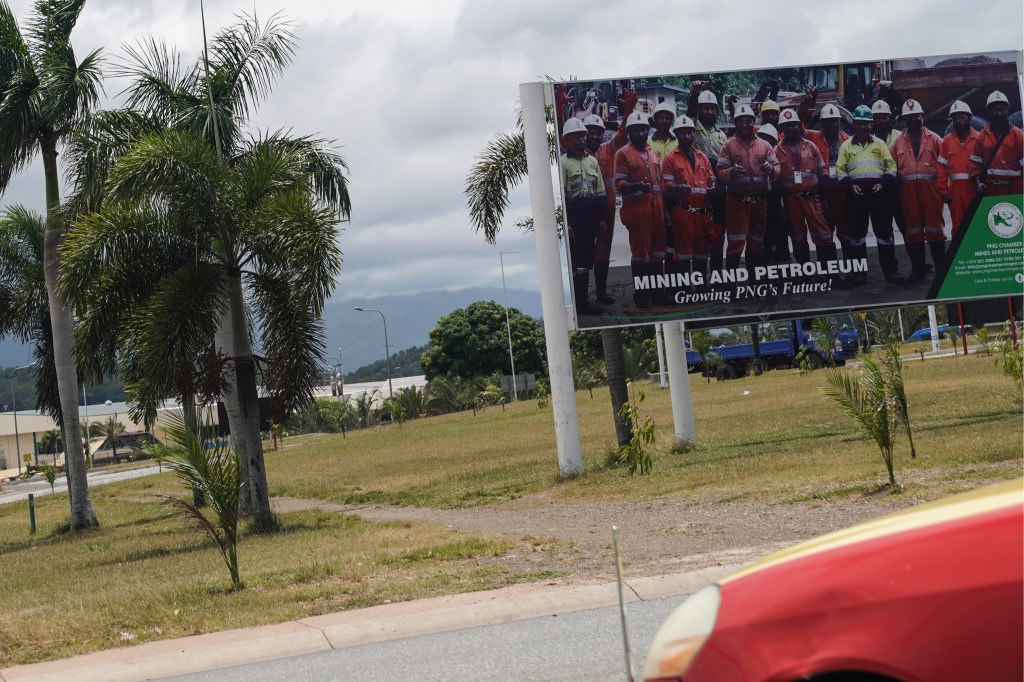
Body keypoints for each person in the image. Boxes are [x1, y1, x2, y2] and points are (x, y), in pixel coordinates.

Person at [835, 105, 902, 286]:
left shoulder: (880, 144)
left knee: (885, 235)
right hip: (855, 195)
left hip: (879, 194)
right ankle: (860, 274)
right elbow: (840, 170)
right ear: (854, 124)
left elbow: (891, 167)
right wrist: (850, 186)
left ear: (871, 125)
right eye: (859, 123)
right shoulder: (846, 146)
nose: (863, 127)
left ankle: (890, 271)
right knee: (856, 238)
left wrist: (883, 184)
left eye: (866, 124)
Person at [774, 108, 843, 271]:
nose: (791, 128)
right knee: (798, 237)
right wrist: (781, 205)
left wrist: (825, 199)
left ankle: (830, 273)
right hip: (791, 200)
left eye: (794, 124)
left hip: (813, 198)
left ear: (799, 126)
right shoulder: (776, 151)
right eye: (787, 125)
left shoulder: (811, 146)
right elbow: (776, 182)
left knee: (824, 234)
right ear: (781, 129)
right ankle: (806, 274)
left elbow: (822, 172)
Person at [715, 104, 780, 271]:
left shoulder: (765, 145)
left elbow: (777, 167)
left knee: (756, 242)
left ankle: (754, 280)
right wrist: (731, 171)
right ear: (736, 123)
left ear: (753, 121)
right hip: (737, 203)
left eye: (748, 121)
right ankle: (731, 282)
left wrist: (771, 169)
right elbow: (720, 171)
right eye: (741, 121)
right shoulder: (728, 145)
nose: (745, 124)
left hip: (759, 202)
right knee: (735, 243)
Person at [889, 99, 946, 282]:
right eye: (909, 117)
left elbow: (945, 166)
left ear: (922, 116)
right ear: (904, 119)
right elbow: (891, 168)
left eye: (916, 116)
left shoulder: (935, 139)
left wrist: (944, 189)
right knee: (913, 232)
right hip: (908, 194)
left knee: (935, 231)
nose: (913, 119)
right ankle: (918, 271)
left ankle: (941, 271)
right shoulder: (898, 143)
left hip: (931, 193)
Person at [615, 111, 666, 307]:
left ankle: (657, 293)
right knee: (640, 256)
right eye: (636, 130)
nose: (641, 133)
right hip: (637, 214)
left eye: (643, 129)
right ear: (629, 131)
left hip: (657, 211)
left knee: (657, 254)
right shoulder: (623, 154)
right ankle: (642, 295)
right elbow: (620, 184)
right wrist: (637, 186)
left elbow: (659, 184)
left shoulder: (653, 154)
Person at [583, 102, 631, 304]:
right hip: (587, 213)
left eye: (598, 133)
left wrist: (627, 112)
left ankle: (601, 294)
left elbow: (621, 134)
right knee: (585, 253)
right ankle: (583, 297)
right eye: (591, 132)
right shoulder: (578, 155)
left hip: (608, 211)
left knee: (603, 253)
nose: (594, 136)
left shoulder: (608, 150)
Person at [661, 115, 716, 286]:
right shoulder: (670, 159)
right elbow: (666, 187)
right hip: (683, 212)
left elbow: (711, 178)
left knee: (702, 254)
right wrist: (677, 188)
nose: (687, 136)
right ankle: (684, 290)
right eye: (683, 133)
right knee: (683, 255)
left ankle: (700, 287)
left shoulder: (702, 157)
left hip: (703, 214)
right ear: (676, 134)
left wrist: (713, 185)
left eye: (690, 132)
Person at [560, 117, 606, 314]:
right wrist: (567, 223)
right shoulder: (563, 163)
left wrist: (601, 219)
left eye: (583, 135)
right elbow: (561, 197)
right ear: (567, 139)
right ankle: (580, 304)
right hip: (574, 220)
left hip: (590, 218)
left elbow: (600, 192)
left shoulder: (592, 161)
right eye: (576, 136)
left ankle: (584, 303)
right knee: (576, 262)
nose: (581, 139)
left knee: (587, 262)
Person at [687, 83, 729, 273]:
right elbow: (689, 116)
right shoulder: (694, 128)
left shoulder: (722, 136)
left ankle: (717, 273)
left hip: (718, 190)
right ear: (699, 109)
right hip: (699, 187)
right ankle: (700, 277)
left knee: (718, 233)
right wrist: (694, 95)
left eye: (712, 108)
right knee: (701, 234)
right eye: (705, 108)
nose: (709, 111)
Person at [805, 104, 852, 259]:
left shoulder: (848, 140)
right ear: (821, 122)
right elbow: (798, 130)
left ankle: (850, 267)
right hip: (822, 193)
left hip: (842, 192)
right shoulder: (813, 137)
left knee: (846, 231)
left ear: (839, 121)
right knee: (824, 232)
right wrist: (803, 113)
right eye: (827, 121)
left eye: (834, 121)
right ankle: (827, 268)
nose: (831, 124)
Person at [937, 100, 980, 234]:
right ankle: (959, 248)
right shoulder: (947, 141)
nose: (958, 121)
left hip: (974, 190)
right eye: (955, 118)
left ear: (970, 118)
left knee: (976, 225)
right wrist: (943, 191)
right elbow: (941, 168)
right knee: (958, 227)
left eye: (962, 117)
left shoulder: (979, 139)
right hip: (955, 193)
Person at [970, 90, 1024, 196]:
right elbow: (974, 165)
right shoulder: (982, 135)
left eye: (1002, 109)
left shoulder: (1018, 135)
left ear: (1007, 110)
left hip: (1013, 190)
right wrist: (978, 183)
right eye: (995, 110)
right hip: (990, 190)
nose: (999, 113)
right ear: (990, 112)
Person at [757, 123, 792, 264]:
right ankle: (765, 263)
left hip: (777, 200)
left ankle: (783, 263)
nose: (765, 142)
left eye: (768, 139)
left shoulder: (780, 155)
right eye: (762, 138)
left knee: (780, 232)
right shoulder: (754, 154)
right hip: (761, 200)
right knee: (763, 233)